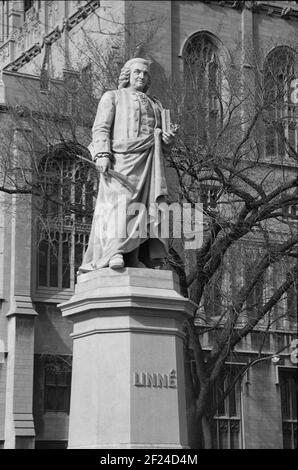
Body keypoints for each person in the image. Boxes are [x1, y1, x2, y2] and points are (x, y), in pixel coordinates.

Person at [79, 58, 176, 272]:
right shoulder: (112, 97)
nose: (141, 76)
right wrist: (103, 153)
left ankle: (134, 257)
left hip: (148, 161)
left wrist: (167, 140)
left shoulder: (156, 104)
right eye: (137, 72)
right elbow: (101, 128)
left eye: (145, 74)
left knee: (143, 209)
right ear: (128, 75)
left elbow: (161, 142)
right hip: (120, 159)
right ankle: (114, 251)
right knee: (119, 205)